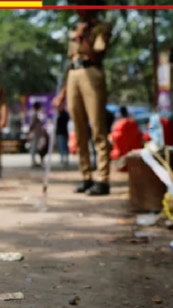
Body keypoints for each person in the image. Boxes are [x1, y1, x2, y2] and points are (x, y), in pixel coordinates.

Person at [53, 4, 112, 196]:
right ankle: (86, 176)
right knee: (78, 129)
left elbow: (96, 54)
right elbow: (71, 62)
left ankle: (102, 179)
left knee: (97, 128)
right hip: (74, 76)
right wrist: (61, 94)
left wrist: (83, 37)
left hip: (92, 73)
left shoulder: (101, 28)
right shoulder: (73, 29)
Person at [109, 106, 143, 171]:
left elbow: (112, 140)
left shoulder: (117, 124)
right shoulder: (133, 123)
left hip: (121, 159)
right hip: (134, 158)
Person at [28, 102, 46, 168]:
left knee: (37, 147)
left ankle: (35, 161)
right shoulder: (34, 114)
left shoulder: (35, 113)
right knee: (34, 147)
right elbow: (32, 124)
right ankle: (33, 162)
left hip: (37, 133)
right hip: (35, 133)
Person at [55, 103, 70, 168]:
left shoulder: (64, 114)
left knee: (63, 146)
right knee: (61, 146)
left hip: (63, 132)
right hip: (59, 132)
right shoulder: (58, 114)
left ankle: (65, 159)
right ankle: (62, 159)